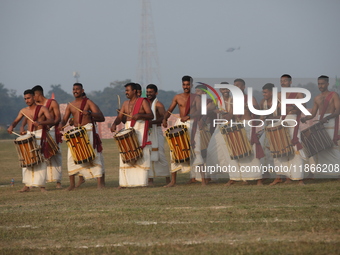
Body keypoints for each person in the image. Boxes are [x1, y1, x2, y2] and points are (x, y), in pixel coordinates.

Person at [60, 83, 105, 191]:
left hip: (88, 132)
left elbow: (101, 117)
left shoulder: (88, 102)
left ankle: (100, 184)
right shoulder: (70, 105)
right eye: (73, 89)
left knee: (94, 155)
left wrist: (89, 113)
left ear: (82, 90)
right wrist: (60, 126)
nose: (75, 91)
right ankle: (72, 184)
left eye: (77, 89)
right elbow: (65, 119)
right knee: (71, 156)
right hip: (76, 133)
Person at [162, 75, 205, 187]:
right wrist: (165, 118)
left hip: (192, 125)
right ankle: (173, 181)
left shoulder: (197, 98)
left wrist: (189, 115)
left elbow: (200, 112)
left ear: (191, 85)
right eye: (184, 85)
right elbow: (170, 110)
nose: (186, 87)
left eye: (188, 85)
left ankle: (203, 180)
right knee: (175, 150)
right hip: (180, 125)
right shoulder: (177, 97)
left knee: (196, 150)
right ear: (182, 85)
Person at [7, 89, 54, 192]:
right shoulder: (24, 111)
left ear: (33, 97)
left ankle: (42, 186)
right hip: (29, 135)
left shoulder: (43, 108)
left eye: (28, 98)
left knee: (41, 160)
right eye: (25, 99)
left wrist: (41, 123)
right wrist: (11, 126)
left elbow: (51, 120)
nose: (27, 100)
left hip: (40, 135)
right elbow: (15, 121)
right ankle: (27, 185)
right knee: (27, 159)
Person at [111, 82, 153, 188]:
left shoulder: (143, 101)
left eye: (128, 90)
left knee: (141, 153)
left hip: (140, 129)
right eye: (125, 91)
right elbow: (120, 117)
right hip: (129, 128)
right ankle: (125, 183)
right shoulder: (125, 103)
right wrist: (114, 123)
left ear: (134, 91)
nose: (126, 93)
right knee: (126, 152)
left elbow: (151, 115)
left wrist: (140, 115)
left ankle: (142, 182)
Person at [224, 79, 264, 186]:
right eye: (234, 85)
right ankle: (237, 177)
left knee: (252, 151)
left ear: (243, 87)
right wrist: (225, 116)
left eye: (238, 85)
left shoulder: (250, 98)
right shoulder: (232, 99)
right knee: (236, 151)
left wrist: (249, 107)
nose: (236, 87)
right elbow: (231, 114)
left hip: (248, 125)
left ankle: (259, 178)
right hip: (237, 125)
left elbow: (257, 111)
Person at [301, 75, 340, 177]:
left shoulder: (334, 95)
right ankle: (318, 173)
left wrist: (327, 118)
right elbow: (313, 114)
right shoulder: (317, 98)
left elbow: (338, 110)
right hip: (320, 124)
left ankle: (337, 173)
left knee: (332, 148)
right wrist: (305, 118)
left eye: (322, 83)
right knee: (318, 147)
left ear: (327, 84)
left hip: (331, 123)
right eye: (319, 84)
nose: (320, 86)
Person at [270, 74, 305, 185]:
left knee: (295, 148)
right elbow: (275, 110)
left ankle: (299, 178)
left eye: (285, 81)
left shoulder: (298, 93)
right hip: (282, 120)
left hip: (293, 121)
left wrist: (293, 108)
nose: (282, 83)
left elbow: (303, 106)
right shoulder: (279, 95)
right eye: (281, 81)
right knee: (281, 147)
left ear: (290, 82)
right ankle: (285, 177)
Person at [31, 85, 63, 188]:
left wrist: (50, 125)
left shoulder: (52, 103)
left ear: (38, 94)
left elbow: (58, 117)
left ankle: (58, 182)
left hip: (52, 130)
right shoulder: (35, 106)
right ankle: (38, 181)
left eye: (33, 96)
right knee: (40, 155)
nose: (32, 98)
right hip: (40, 132)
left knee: (54, 154)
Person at [205, 82, 233, 182]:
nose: (225, 91)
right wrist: (213, 111)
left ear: (230, 90)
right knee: (211, 150)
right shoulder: (217, 101)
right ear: (220, 91)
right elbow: (205, 110)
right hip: (219, 128)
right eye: (223, 89)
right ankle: (210, 176)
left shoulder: (234, 100)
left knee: (231, 152)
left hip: (232, 128)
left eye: (227, 89)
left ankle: (234, 176)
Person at [146, 84, 171, 185]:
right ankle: (150, 180)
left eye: (151, 92)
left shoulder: (158, 104)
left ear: (156, 93)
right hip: (147, 133)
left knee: (160, 155)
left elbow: (164, 117)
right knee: (148, 155)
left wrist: (152, 122)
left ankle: (168, 179)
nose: (149, 94)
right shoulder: (145, 103)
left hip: (156, 131)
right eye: (147, 92)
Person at [259, 83, 277, 178]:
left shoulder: (279, 101)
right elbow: (261, 116)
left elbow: (283, 115)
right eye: (263, 92)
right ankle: (266, 172)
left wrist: (270, 116)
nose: (264, 94)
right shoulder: (263, 102)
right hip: (266, 129)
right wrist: (262, 118)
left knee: (277, 151)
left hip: (278, 129)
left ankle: (282, 175)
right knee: (262, 148)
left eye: (265, 92)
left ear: (272, 92)